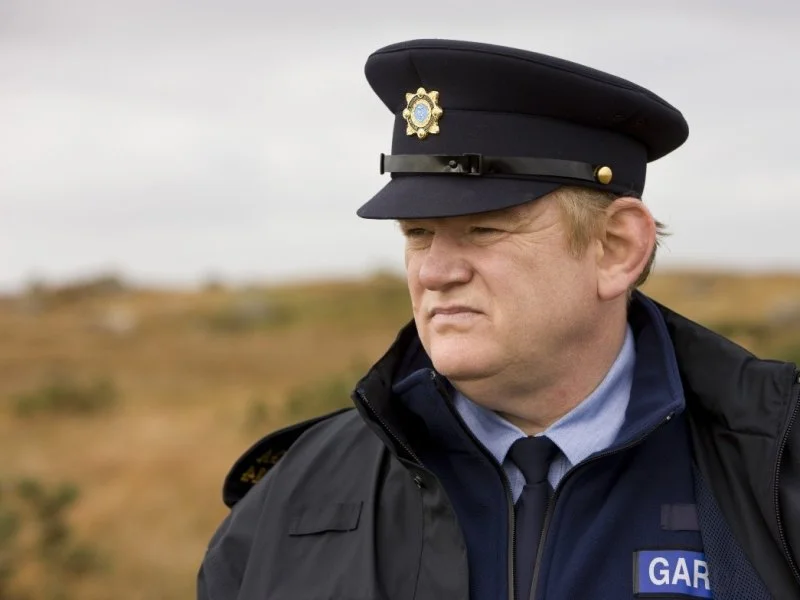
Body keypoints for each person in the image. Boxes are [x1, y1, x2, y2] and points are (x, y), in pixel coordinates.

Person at [196, 39, 800, 600]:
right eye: (417, 233)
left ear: (616, 248)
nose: (435, 272)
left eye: (484, 229)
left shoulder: (774, 470)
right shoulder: (294, 498)